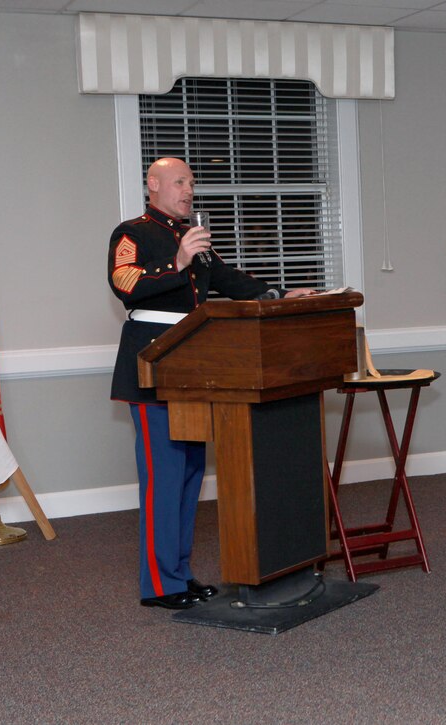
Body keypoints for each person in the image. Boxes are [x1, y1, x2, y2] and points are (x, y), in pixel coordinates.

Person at [108, 157, 315, 609]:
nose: (188, 191)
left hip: (197, 366)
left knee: (187, 477)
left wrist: (278, 293)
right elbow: (125, 284)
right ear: (153, 184)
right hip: (153, 368)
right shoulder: (133, 232)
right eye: (179, 182)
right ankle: (159, 586)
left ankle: (179, 575)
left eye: (191, 184)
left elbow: (227, 280)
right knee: (162, 480)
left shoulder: (193, 239)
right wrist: (177, 261)